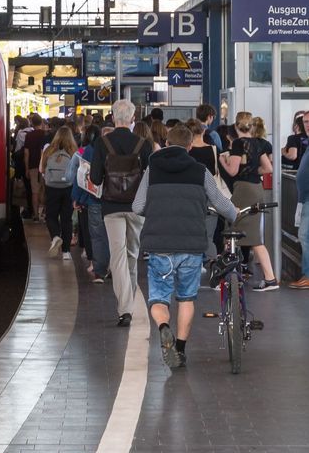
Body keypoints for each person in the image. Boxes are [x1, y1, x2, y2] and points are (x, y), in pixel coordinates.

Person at [133, 123, 239, 368]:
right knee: (186, 298)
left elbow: (138, 206)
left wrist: (157, 210)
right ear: (190, 146)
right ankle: (179, 350)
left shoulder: (153, 169)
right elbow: (222, 205)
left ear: (167, 144)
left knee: (159, 299)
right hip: (191, 244)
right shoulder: (200, 171)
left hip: (159, 244)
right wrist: (236, 215)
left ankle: (163, 328)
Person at [90, 99, 154, 327]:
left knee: (117, 256)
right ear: (133, 119)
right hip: (137, 207)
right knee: (132, 255)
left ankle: (124, 308)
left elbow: (96, 178)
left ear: (113, 118)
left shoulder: (102, 143)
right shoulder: (143, 144)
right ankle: (130, 304)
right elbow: (151, 177)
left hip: (111, 207)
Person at [219, 111, 279, 291]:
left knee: (231, 230)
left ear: (237, 126)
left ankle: (226, 275)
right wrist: (253, 171)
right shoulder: (259, 143)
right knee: (254, 237)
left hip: (243, 189)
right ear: (251, 126)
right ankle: (269, 278)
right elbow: (268, 168)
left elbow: (232, 171)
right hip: (256, 189)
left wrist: (223, 160)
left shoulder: (238, 143)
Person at [70, 125, 109, 283]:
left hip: (95, 199)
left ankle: (99, 270)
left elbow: (83, 177)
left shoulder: (91, 150)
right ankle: (116, 267)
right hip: (119, 200)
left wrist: (77, 198)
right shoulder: (125, 148)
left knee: (98, 236)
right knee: (116, 236)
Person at [185, 118, 226, 262]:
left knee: (192, 231)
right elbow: (216, 172)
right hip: (209, 195)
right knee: (208, 234)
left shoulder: (186, 151)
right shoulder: (212, 149)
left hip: (190, 195)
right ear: (203, 131)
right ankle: (213, 264)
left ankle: (195, 261)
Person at [40, 126, 77, 260]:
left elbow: (41, 169)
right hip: (68, 187)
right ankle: (66, 252)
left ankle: (55, 236)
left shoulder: (49, 150)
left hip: (52, 188)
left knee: (51, 216)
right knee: (66, 219)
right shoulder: (73, 151)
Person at [23, 114, 48, 222]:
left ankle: (36, 215)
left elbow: (26, 153)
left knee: (34, 192)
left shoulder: (29, 136)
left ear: (32, 123)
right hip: (45, 166)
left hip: (33, 166)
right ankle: (44, 213)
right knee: (44, 190)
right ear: (41, 123)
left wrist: (26, 168)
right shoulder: (45, 135)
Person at [292, 148, 309, 288]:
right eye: (305, 123)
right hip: (306, 199)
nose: (308, 124)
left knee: (304, 235)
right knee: (306, 236)